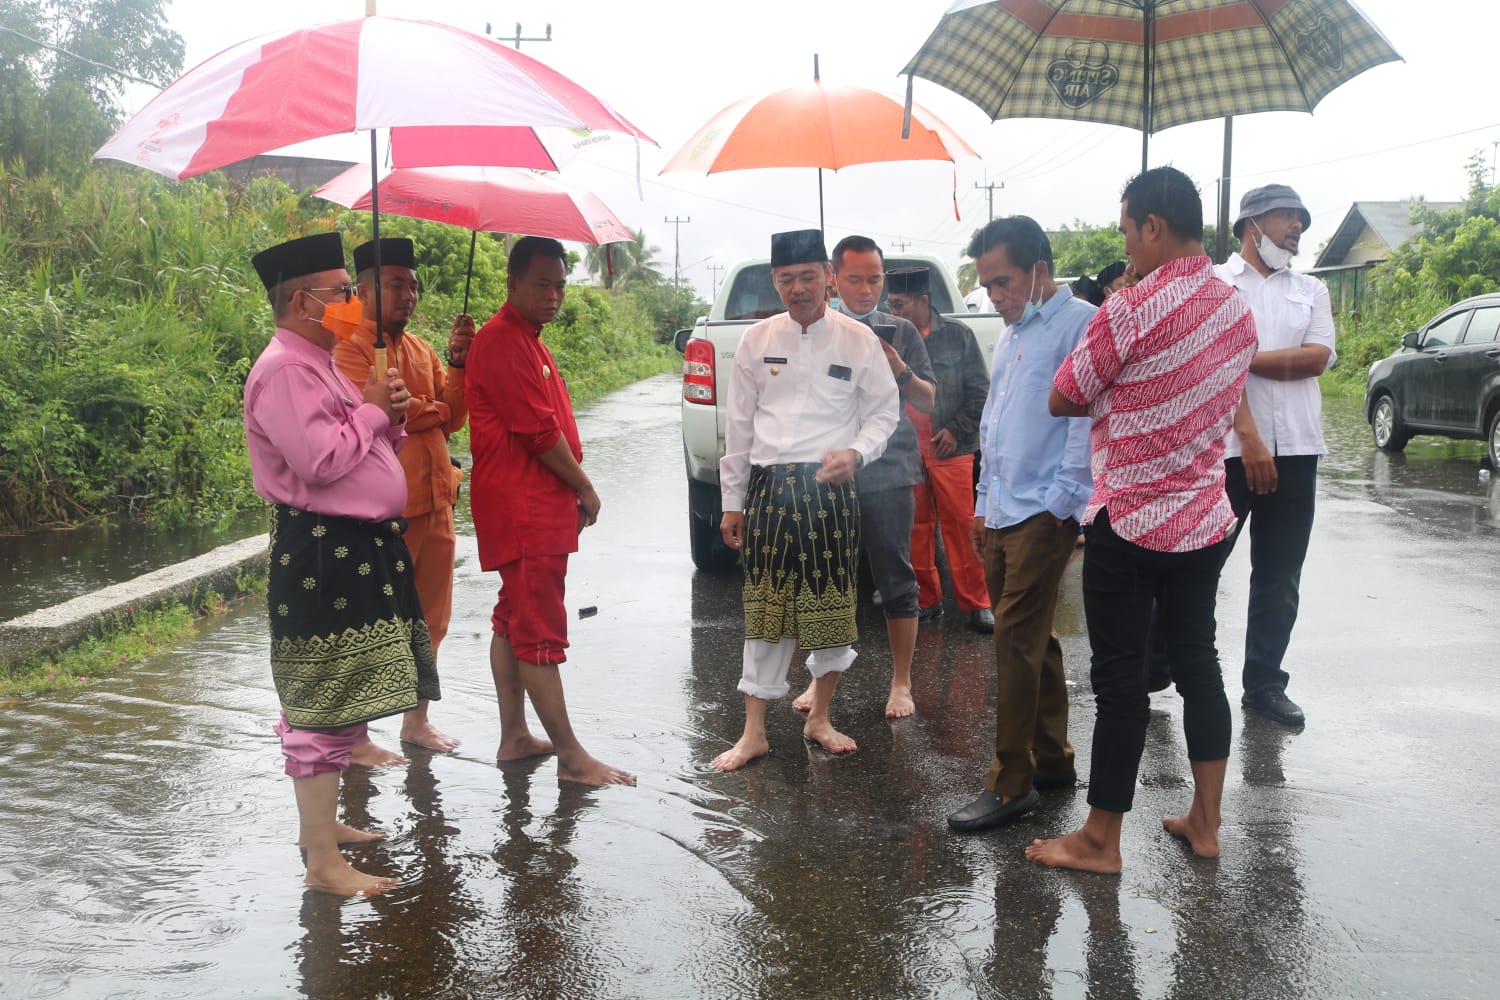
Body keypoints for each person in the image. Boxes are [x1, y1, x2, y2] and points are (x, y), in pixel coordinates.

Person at [1028, 167, 1258, 873]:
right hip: (1203, 521)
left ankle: (1100, 841)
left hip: (1127, 522)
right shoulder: (1239, 309)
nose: (1126, 245)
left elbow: (1065, 397)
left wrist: (1114, 315)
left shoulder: (1126, 309)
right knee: (1199, 664)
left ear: (1153, 227)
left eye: (1129, 231)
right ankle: (1207, 822)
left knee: (1122, 682)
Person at [245, 231, 436, 896]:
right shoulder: (285, 369)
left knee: (345, 695)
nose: (355, 303)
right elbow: (319, 461)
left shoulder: (318, 359)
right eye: (343, 293)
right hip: (323, 553)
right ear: (303, 302)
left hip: (355, 548)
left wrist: (389, 417)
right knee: (321, 703)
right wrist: (372, 416)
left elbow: (354, 442)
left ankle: (321, 833)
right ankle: (323, 863)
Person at [712, 229, 900, 771]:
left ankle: (819, 715)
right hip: (770, 490)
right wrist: (733, 501)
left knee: (832, 608)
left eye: (809, 277)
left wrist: (858, 453)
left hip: (829, 492)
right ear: (776, 281)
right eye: (787, 279)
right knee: (766, 612)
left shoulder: (858, 340)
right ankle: (754, 733)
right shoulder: (755, 339)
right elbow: (739, 425)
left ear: (828, 277)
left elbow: (884, 415)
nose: (798, 288)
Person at [466, 236, 634, 786]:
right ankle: (570, 757)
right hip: (525, 510)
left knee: (512, 617)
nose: (554, 295)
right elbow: (539, 432)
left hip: (532, 507)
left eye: (561, 284)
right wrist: (584, 486)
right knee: (538, 630)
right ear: (512, 283)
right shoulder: (501, 342)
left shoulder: (524, 339)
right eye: (543, 284)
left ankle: (515, 735)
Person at [945, 217, 1093, 833]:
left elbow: (1084, 421)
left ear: (1039, 269)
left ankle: (1011, 782)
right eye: (986, 286)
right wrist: (982, 502)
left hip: (1043, 511)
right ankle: (1055, 761)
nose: (995, 296)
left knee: (1011, 639)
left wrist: (1061, 506)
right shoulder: (1008, 336)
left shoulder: (1079, 324)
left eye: (1003, 282)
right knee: (1035, 638)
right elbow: (995, 426)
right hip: (1003, 509)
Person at [333, 237, 473, 765]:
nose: (409, 295)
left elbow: (451, 414)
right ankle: (356, 735)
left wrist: (457, 362)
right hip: (381, 515)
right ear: (362, 289)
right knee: (371, 620)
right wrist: (426, 407)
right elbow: (387, 412)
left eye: (413, 285)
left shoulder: (419, 348)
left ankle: (417, 722)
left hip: (436, 501)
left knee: (432, 619)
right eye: (396, 284)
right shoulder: (347, 345)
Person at [788, 235, 935, 720]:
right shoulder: (815, 331)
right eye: (854, 279)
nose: (866, 289)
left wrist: (899, 369)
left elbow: (928, 399)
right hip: (827, 474)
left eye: (874, 279)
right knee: (828, 578)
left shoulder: (900, 330)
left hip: (889, 472)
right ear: (834, 279)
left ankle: (901, 682)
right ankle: (818, 678)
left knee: (896, 578)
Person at [1214, 184, 1336, 727]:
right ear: (1252, 224)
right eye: (1288, 217)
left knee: (1280, 575)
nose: (1297, 228)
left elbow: (1317, 357)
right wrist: (1234, 359)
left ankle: (1264, 684)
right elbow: (1211, 360)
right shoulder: (1215, 285)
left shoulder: (1311, 289)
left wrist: (1245, 356)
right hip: (1228, 451)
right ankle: (1156, 665)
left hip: (1299, 449)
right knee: (1199, 564)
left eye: (1301, 221)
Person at [884, 266, 993, 632]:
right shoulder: (889, 338)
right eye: (891, 305)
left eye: (900, 305)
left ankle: (977, 604)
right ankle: (926, 600)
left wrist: (955, 428)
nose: (894, 313)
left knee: (962, 529)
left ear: (923, 301)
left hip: (951, 447)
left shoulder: (958, 336)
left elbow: (980, 391)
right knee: (914, 529)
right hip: (905, 450)